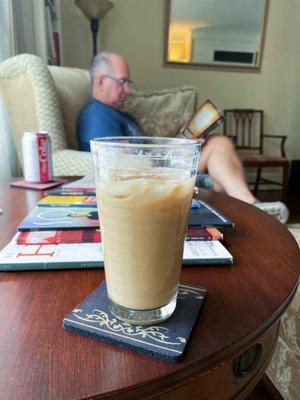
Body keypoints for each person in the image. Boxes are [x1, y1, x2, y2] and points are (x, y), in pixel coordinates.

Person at [77, 52, 289, 224]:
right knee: (219, 166)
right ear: (101, 81)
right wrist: (176, 152)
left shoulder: (122, 114)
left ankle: (251, 208)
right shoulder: (97, 115)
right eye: (122, 82)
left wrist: (181, 144)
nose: (128, 90)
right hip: (158, 174)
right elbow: (115, 162)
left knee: (218, 145)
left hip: (165, 165)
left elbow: (144, 149)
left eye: (128, 82)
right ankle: (253, 208)